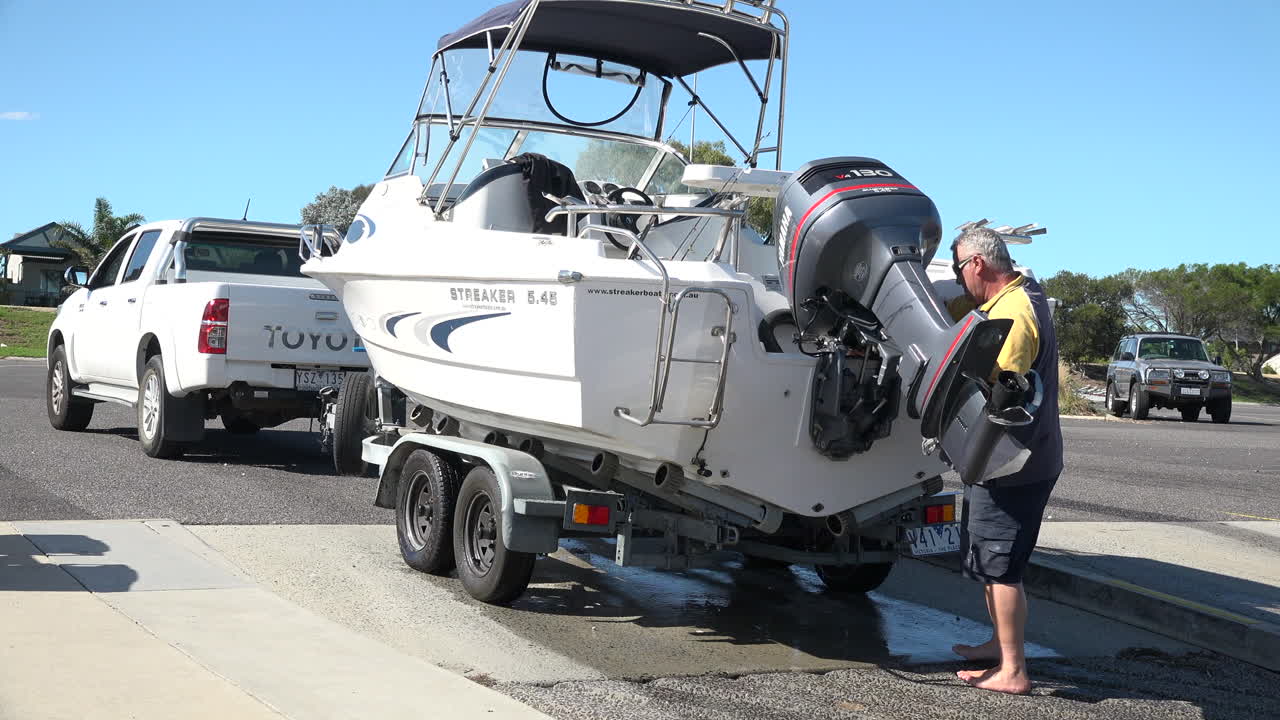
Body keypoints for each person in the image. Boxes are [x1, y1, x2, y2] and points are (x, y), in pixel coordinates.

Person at [945, 226, 1064, 695]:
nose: (958, 280)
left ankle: (1013, 670)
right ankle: (998, 645)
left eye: (959, 269)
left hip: (1015, 462)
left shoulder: (1014, 313)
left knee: (1001, 567)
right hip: (1005, 459)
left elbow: (1007, 384)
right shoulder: (1018, 296)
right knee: (989, 559)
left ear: (977, 263)